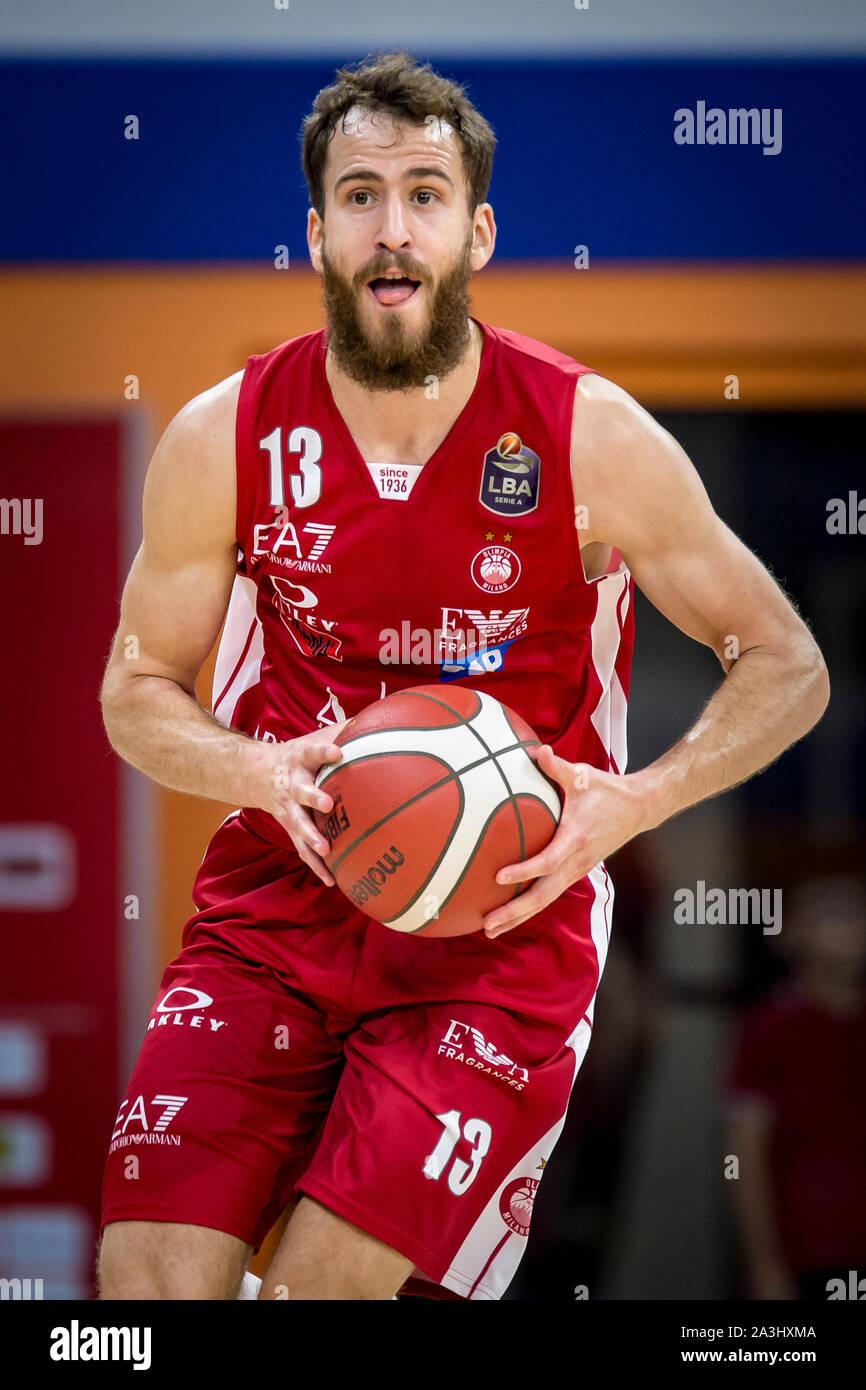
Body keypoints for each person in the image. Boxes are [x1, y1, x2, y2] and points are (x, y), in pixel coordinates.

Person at [96, 52, 829, 1301]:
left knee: (329, 1291)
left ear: (475, 229)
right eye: (361, 193)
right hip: (279, 901)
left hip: (498, 926)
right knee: (146, 1284)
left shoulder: (584, 433)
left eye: (425, 192)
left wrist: (637, 799)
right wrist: (251, 767)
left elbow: (787, 663)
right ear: (316, 231)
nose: (393, 226)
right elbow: (136, 690)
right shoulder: (220, 436)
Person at [725, 874, 866, 1300]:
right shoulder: (769, 1029)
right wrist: (764, 1264)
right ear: (792, 934)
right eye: (829, 914)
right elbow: (743, 1156)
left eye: (855, 913)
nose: (848, 927)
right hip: (805, 1253)